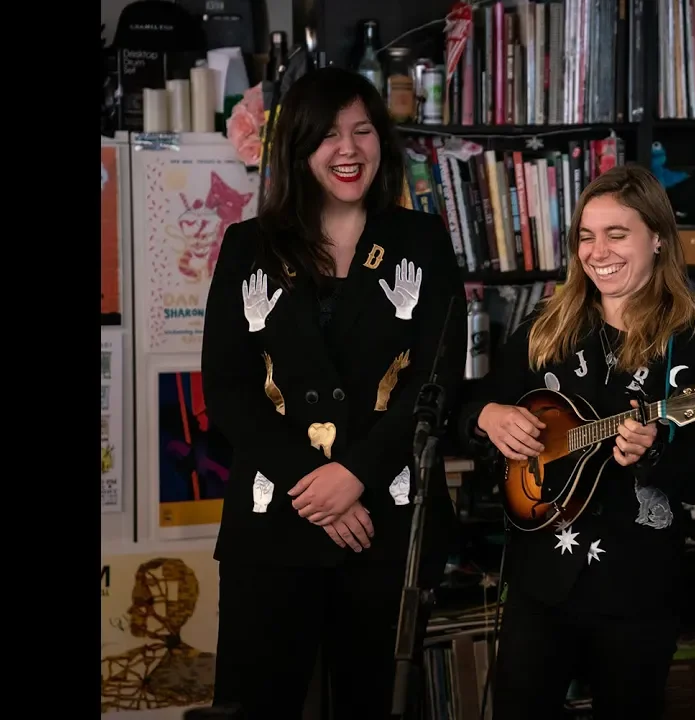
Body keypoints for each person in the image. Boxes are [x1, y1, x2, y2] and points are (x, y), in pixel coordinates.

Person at [201, 66, 465, 719]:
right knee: (256, 704)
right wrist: (319, 487)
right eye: (328, 136)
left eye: (363, 131)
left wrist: (356, 475)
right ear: (297, 149)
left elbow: (437, 380)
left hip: (386, 524)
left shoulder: (422, 242)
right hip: (273, 525)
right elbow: (228, 389)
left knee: (376, 704)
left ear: (383, 141)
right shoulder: (248, 247)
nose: (349, 150)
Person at [460, 164, 695, 719]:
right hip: (541, 581)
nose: (597, 250)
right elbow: (465, 405)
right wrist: (488, 415)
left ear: (657, 238)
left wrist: (653, 451)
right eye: (586, 235)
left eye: (616, 233)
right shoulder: (546, 326)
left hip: (636, 588)